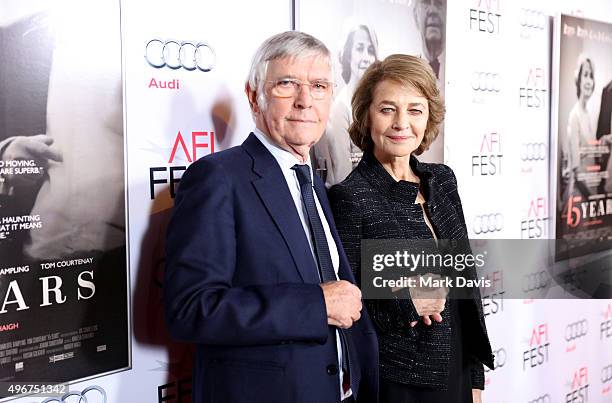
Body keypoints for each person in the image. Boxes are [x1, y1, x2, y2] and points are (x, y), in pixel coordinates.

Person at [164, 31, 378, 403]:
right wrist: (316, 305)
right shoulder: (218, 178)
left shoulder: (313, 178)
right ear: (254, 96)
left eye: (319, 86)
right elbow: (191, 308)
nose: (304, 101)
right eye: (286, 84)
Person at [329, 54, 494, 403]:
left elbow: (465, 288)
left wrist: (475, 377)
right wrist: (406, 302)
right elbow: (346, 309)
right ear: (366, 115)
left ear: (428, 117)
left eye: (415, 110)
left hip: (459, 363)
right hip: (402, 379)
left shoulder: (443, 180)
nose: (401, 123)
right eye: (387, 109)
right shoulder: (351, 197)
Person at [313, 23, 378, 187]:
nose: (365, 57)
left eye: (370, 50)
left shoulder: (375, 104)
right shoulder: (340, 110)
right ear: (348, 55)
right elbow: (343, 179)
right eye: (359, 48)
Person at [565, 56, 596, 200]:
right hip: (580, 197)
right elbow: (576, 169)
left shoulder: (587, 114)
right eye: (585, 75)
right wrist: (593, 198)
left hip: (590, 194)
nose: (589, 81)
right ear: (578, 80)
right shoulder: (574, 116)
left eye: (591, 76)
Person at [413, 0, 446, 80]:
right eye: (425, 2)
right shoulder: (406, 69)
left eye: (439, 3)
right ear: (416, 16)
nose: (432, 10)